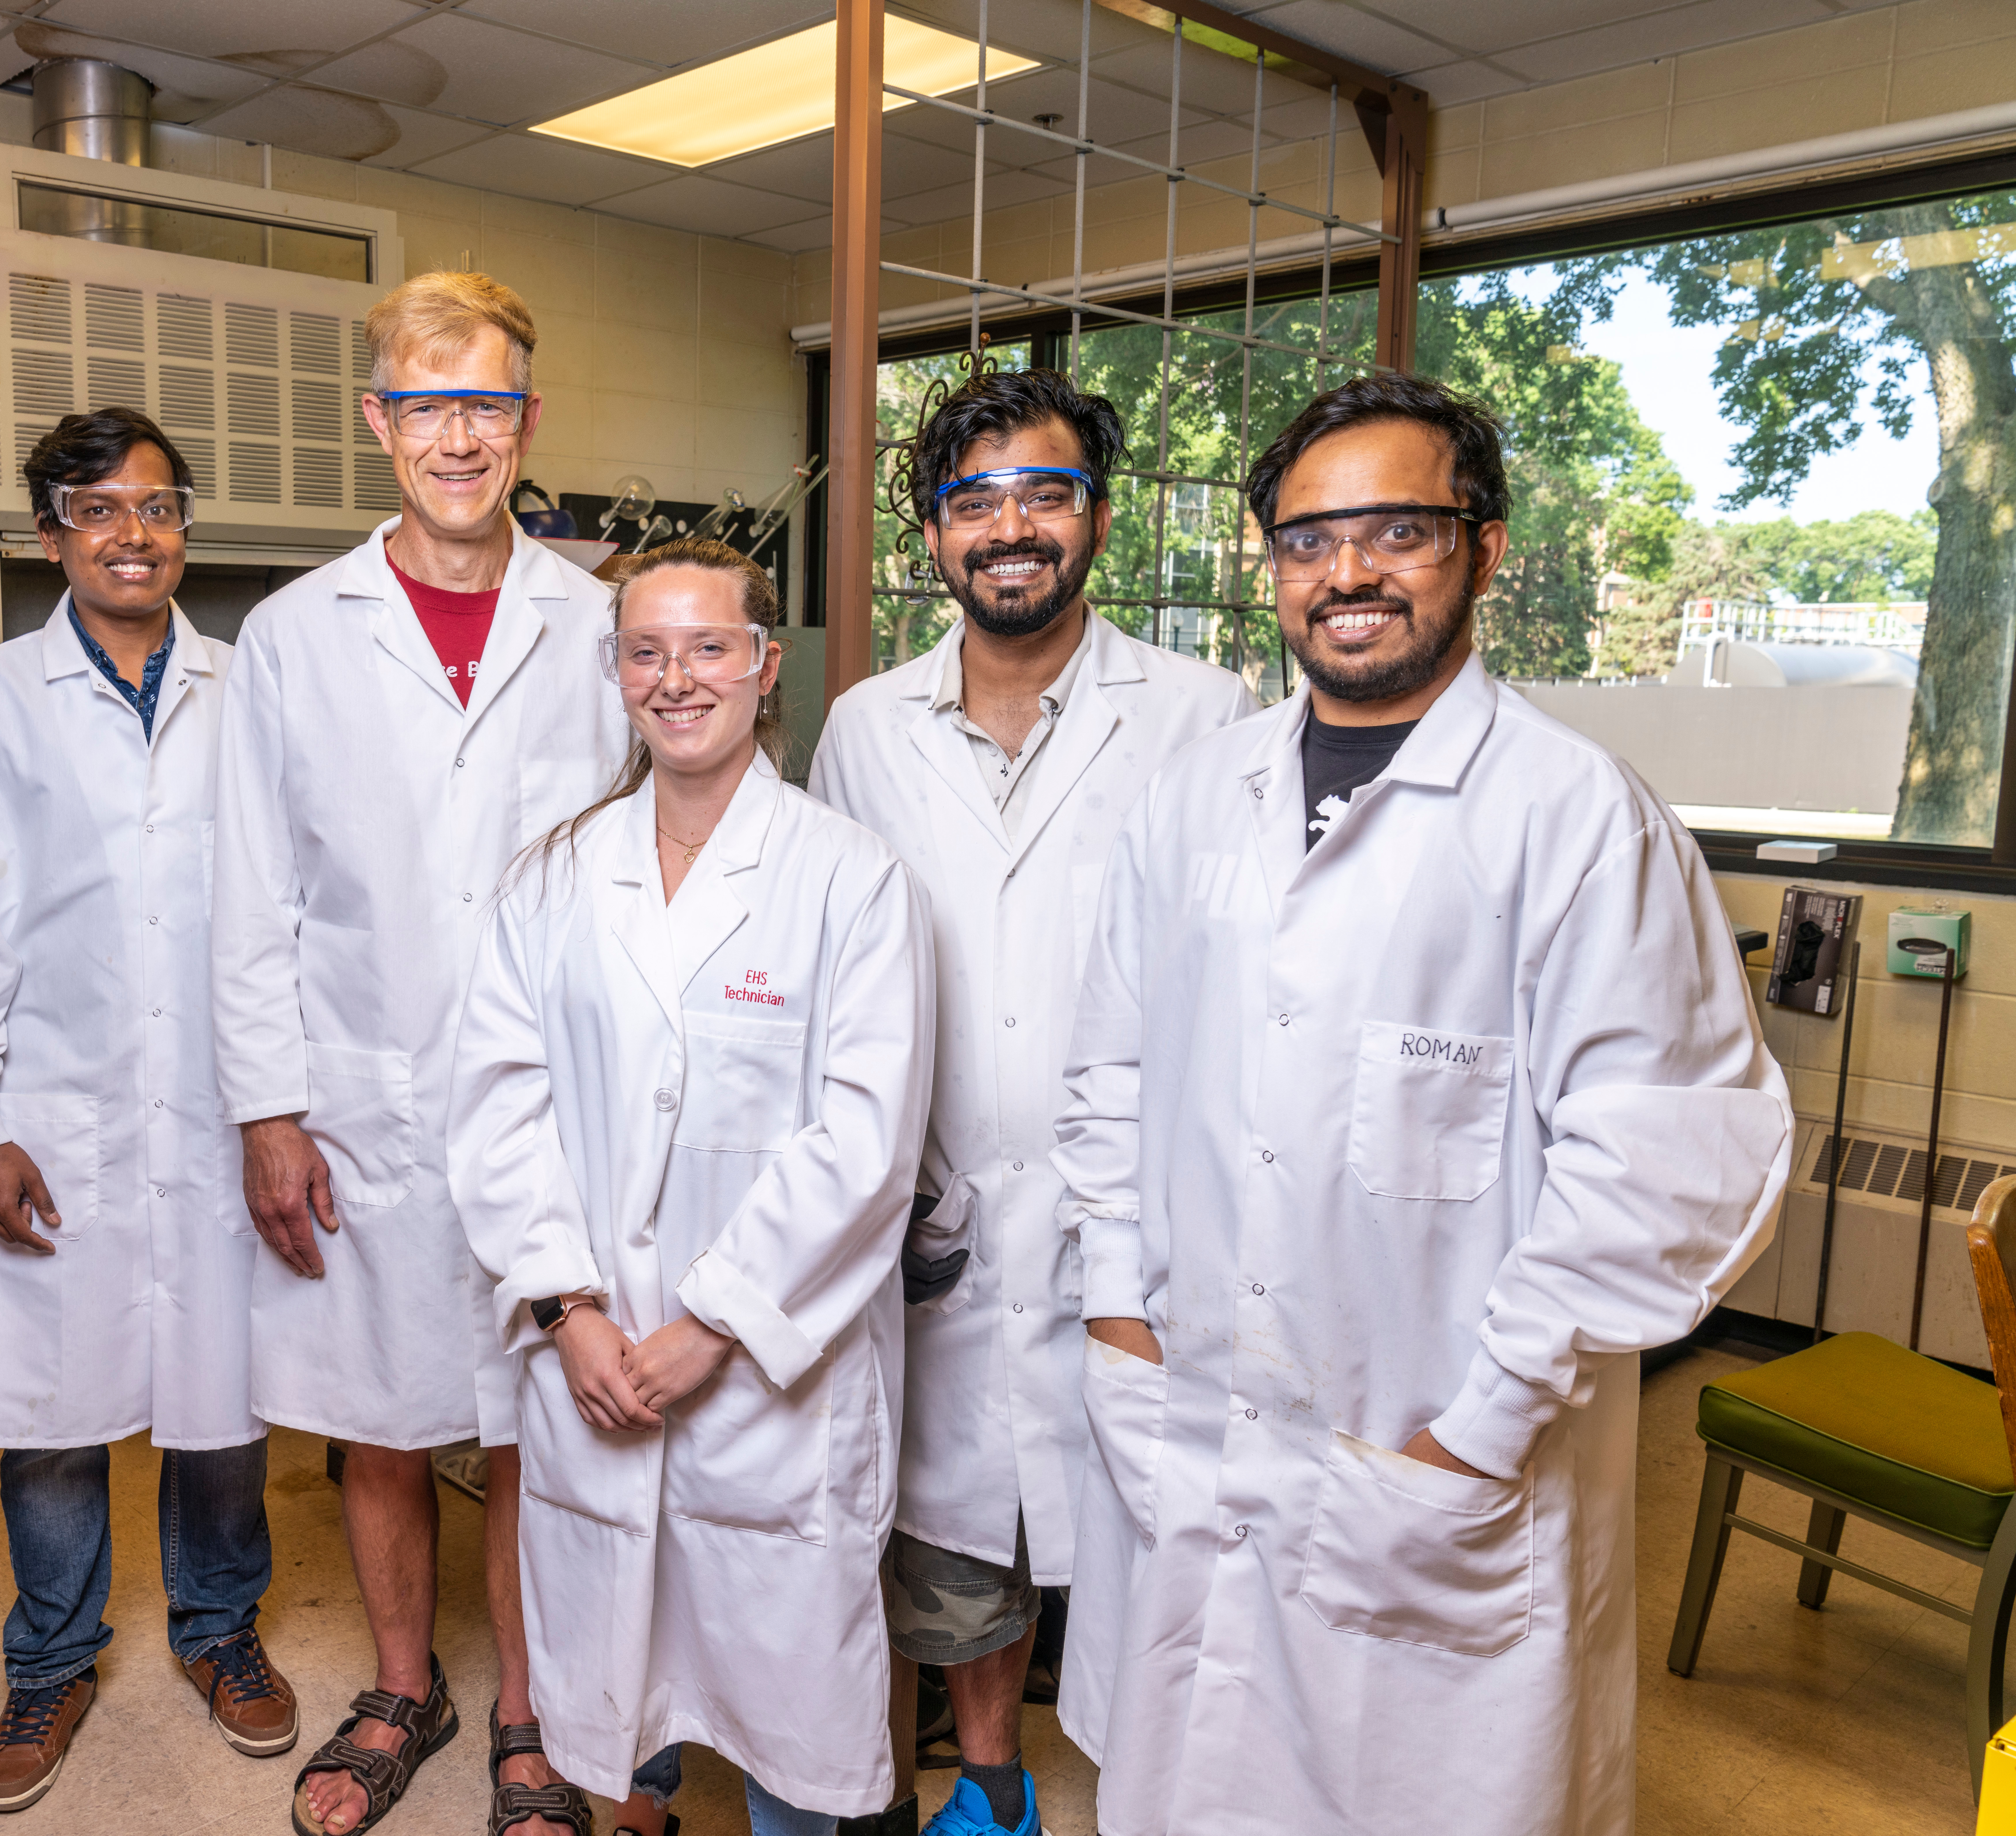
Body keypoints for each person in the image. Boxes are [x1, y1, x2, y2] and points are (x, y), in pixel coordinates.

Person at [1049, 372, 1794, 1836]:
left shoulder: (1576, 819)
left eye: (1399, 529)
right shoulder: (1200, 796)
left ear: (1486, 547)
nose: (1349, 571)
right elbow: (1110, 1075)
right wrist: (1119, 1309)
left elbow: (1660, 1161)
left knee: (1417, 1797)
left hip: (1443, 1451)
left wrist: (1480, 1429)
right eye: (1308, 538)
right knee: (1191, 1773)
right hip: (1194, 1410)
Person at [808, 368, 1252, 1836]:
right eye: (975, 499)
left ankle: (1162, 1794)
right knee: (962, 1532)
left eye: (1046, 494)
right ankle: (991, 1788)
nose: (1012, 526)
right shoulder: (867, 726)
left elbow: (1249, 970)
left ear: (1097, 520)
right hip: (940, 1207)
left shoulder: (1207, 715)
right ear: (933, 536)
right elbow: (831, 968)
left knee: (1166, 1535)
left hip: (1143, 1214)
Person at [212, 271, 623, 1835]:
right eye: (432, 404)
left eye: (493, 405)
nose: (464, 437)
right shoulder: (296, 635)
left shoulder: (595, 627)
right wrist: (267, 1108)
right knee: (376, 1409)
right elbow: (250, 893)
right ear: (381, 420)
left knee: (536, 1417)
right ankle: (404, 1685)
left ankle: (530, 1708)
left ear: (528, 422)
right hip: (362, 1095)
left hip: (551, 1101)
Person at [451, 538, 935, 1836]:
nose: (679, 678)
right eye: (648, 651)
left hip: (770, 1371)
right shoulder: (554, 875)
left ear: (766, 665)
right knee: (615, 1661)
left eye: (709, 646)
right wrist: (569, 1307)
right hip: (596, 1348)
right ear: (616, 674)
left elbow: (868, 1141)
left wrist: (713, 1321)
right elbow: (500, 1105)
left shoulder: (851, 880)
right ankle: (633, 1812)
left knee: (790, 1697)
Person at [0, 408, 295, 1815]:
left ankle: (219, 1630)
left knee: (221, 1395)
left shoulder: (253, 692)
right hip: (45, 1109)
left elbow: (292, 912)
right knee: (53, 1411)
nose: (135, 533)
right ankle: (51, 1661)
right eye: (100, 508)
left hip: (222, 1103)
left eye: (160, 506)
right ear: (47, 531)